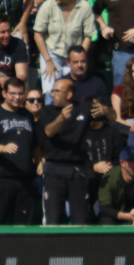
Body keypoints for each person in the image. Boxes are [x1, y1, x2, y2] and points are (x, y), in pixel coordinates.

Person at [39, 79, 113, 224]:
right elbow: (48, 131)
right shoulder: (47, 110)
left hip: (77, 169)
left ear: (69, 94)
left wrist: (107, 110)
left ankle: (80, 246)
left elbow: (113, 117)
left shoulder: (84, 108)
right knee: (53, 217)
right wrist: (61, 118)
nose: (52, 94)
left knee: (81, 218)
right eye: (53, 90)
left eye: (57, 91)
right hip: (53, 168)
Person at [0, 77, 39, 224]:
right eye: (13, 93)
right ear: (4, 93)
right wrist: (2, 148)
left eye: (20, 94)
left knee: (25, 224)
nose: (17, 97)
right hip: (0, 177)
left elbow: (35, 145)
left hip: (25, 178)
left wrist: (40, 162)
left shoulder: (27, 115)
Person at [32, 0, 96, 105]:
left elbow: (88, 35)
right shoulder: (48, 5)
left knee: (72, 91)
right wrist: (48, 60)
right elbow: (38, 34)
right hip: (52, 53)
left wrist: (78, 58)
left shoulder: (83, 6)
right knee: (50, 92)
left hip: (72, 55)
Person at [98, 143, 134, 225]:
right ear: (122, 163)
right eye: (132, 161)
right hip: (117, 215)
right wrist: (129, 216)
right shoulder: (110, 178)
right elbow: (105, 208)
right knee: (106, 221)